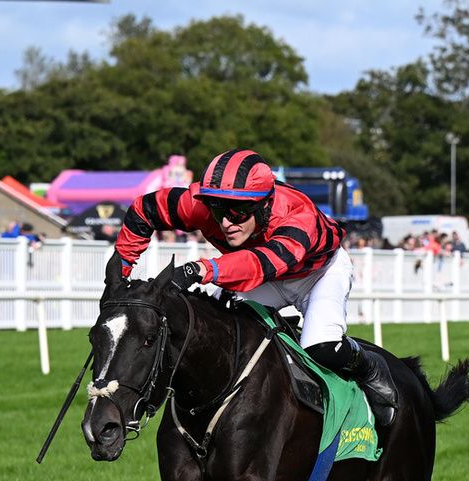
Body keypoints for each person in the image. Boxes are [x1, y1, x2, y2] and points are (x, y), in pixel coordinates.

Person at [112, 148, 398, 426]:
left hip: (318, 275)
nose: (226, 222)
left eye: (238, 211)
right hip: (266, 276)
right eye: (218, 210)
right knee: (216, 334)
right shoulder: (200, 205)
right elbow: (144, 210)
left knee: (320, 347)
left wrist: (200, 269)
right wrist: (119, 272)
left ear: (264, 204)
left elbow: (262, 263)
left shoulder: (298, 214)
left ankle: (370, 367)